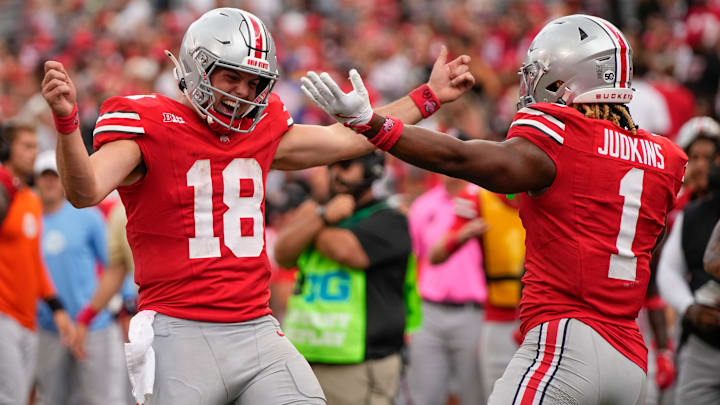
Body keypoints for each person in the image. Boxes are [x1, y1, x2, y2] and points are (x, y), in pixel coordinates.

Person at [41, 7, 473, 405]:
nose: (243, 93)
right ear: (197, 65)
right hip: (179, 330)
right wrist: (66, 125)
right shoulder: (149, 121)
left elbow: (347, 140)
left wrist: (428, 96)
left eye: (254, 82)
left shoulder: (262, 127)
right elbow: (85, 191)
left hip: (256, 327)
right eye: (231, 76)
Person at [302, 14, 688, 405]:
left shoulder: (563, 137)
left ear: (571, 78)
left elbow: (462, 159)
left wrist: (374, 124)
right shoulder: (666, 158)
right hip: (630, 355)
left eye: (543, 74)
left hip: (566, 343)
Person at [275, 152, 419, 404]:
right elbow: (282, 253)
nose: (335, 172)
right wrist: (320, 217)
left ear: (371, 169)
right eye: (331, 164)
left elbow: (346, 251)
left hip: (360, 364)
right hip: (304, 357)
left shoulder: (390, 218)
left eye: (345, 165)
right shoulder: (321, 214)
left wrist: (313, 221)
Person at [32, 150, 126, 404]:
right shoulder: (28, 220)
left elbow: (115, 264)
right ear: (37, 180)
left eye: (54, 176)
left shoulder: (87, 216)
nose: (49, 182)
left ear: (63, 179)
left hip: (93, 326)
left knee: (103, 398)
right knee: (52, 399)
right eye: (44, 176)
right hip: (49, 328)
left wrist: (125, 302)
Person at [0, 123, 75, 405]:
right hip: (3, 314)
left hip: (28, 318)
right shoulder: (3, 194)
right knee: (11, 397)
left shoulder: (31, 200)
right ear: (7, 150)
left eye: (36, 146)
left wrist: (56, 307)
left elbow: (34, 261)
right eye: (26, 146)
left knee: (21, 397)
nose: (33, 153)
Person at [430, 185, 526, 401]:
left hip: (547, 317)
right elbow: (435, 255)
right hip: (501, 316)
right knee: (498, 395)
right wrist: (461, 236)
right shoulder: (481, 198)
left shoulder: (552, 193)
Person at [404, 174, 487, 405]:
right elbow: (412, 261)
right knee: (425, 395)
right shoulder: (424, 205)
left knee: (475, 395)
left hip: (473, 312)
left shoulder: (482, 200)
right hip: (428, 311)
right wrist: (408, 315)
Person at [657, 158, 720, 404]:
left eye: (711, 155)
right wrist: (689, 308)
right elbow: (668, 272)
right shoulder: (694, 213)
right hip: (704, 340)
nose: (703, 165)